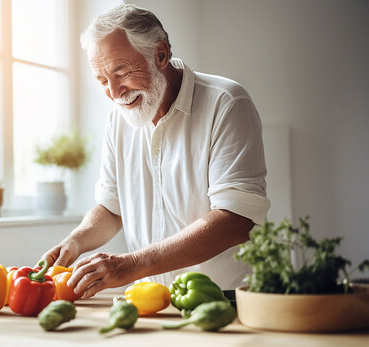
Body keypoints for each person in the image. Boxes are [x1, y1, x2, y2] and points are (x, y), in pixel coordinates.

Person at [42, 4, 270, 298]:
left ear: (160, 55)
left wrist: (131, 264)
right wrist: (76, 240)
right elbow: (111, 208)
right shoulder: (118, 116)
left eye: (121, 72)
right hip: (147, 299)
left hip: (223, 296)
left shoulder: (226, 103)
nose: (114, 92)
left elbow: (234, 220)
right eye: (102, 80)